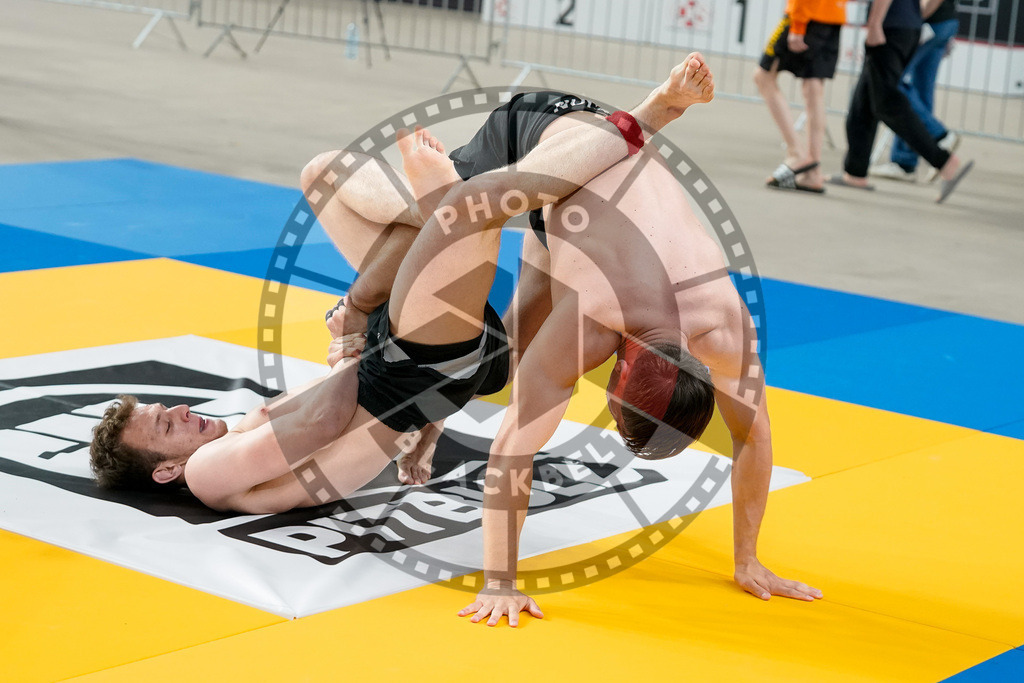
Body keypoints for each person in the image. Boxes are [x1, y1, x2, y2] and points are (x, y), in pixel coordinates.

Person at [318, 61, 820, 623]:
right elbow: (513, 449)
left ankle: (429, 416)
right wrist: (499, 582)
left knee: (501, 362)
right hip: (549, 139)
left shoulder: (725, 328)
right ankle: (334, 174)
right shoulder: (598, 315)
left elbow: (753, 438)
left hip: (577, 212)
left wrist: (747, 559)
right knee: (437, 217)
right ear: (621, 370)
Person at [87, 59, 705, 513]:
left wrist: (418, 424)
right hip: (411, 366)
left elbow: (345, 423)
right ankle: (643, 119)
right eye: (164, 426)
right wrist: (351, 341)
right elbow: (328, 419)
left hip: (433, 368)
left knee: (325, 177)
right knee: (470, 208)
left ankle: (428, 205)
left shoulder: (231, 454)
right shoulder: (207, 477)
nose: (178, 411)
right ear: (166, 472)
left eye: (163, 408)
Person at [829, 0, 972, 202]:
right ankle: (855, 173)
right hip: (905, 24)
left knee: (887, 102)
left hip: (892, 26)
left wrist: (875, 24)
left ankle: (942, 160)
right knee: (864, 102)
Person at [754, 0, 847, 193]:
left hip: (808, 11)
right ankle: (812, 170)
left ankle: (796, 152)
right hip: (832, 14)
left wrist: (797, 23)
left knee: (763, 76)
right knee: (813, 87)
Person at [869, 0, 961, 182]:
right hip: (941, 21)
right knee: (921, 89)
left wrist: (917, 17)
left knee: (894, 84)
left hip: (929, 22)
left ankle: (937, 134)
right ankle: (906, 162)